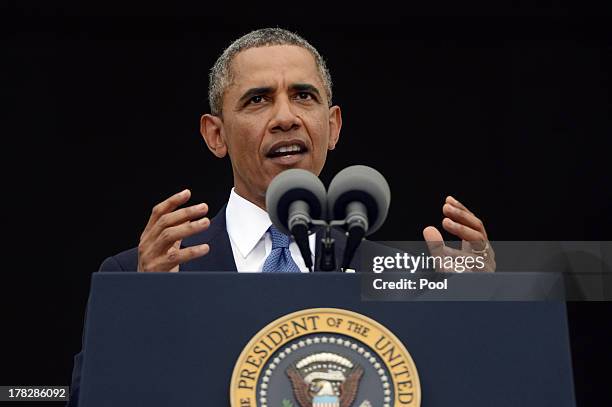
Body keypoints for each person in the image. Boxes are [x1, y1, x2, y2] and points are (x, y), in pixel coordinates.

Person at [68, 27, 494, 406]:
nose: (286, 118)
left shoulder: (407, 283)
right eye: (258, 100)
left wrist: (484, 312)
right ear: (215, 135)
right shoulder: (139, 275)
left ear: (333, 127)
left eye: (303, 97)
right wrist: (143, 308)